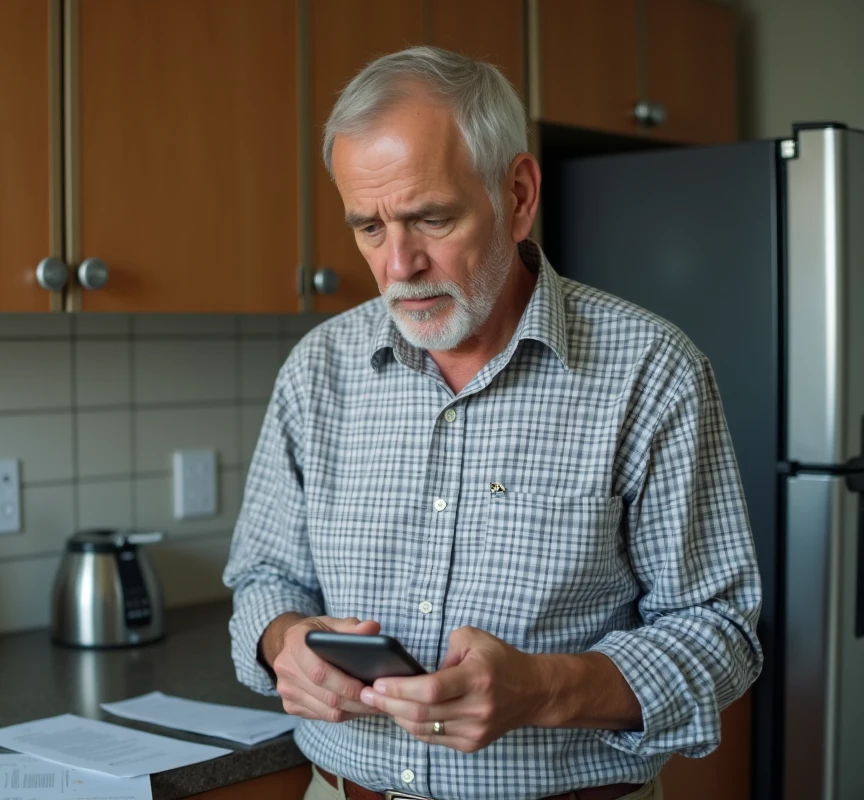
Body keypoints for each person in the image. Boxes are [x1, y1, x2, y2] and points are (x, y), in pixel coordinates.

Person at [223, 46, 762, 800]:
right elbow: (263, 575)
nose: (398, 265)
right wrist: (283, 643)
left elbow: (720, 635)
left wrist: (544, 689)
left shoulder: (651, 371)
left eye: (429, 218)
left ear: (516, 194)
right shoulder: (320, 371)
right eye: (369, 228)